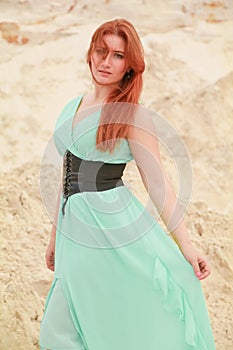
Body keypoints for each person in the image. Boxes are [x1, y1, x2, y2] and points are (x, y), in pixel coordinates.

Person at [39, 18, 216, 350]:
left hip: (110, 230)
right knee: (61, 327)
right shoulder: (71, 106)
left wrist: (187, 247)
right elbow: (66, 177)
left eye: (118, 56)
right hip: (72, 232)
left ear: (130, 65)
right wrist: (54, 237)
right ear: (90, 52)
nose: (106, 62)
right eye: (101, 51)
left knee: (92, 318)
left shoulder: (132, 116)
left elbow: (159, 184)